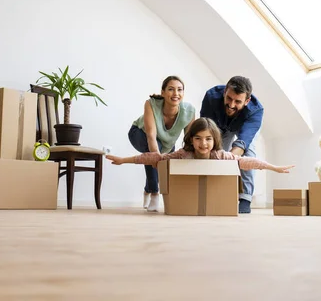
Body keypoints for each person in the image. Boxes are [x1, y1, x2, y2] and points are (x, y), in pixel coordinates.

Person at [108, 117, 292, 173]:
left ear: (215, 140)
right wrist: (123, 160)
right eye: (198, 138)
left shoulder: (219, 155)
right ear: (191, 140)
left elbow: (246, 162)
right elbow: (155, 158)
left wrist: (273, 167)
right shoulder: (183, 154)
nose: (203, 144)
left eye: (208, 139)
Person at [128, 76, 195, 212]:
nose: (176, 93)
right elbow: (151, 135)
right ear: (163, 92)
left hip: (167, 144)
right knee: (154, 152)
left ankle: (147, 190)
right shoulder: (151, 104)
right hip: (139, 134)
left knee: (163, 164)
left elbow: (189, 140)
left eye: (179, 90)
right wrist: (156, 158)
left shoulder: (189, 111)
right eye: (171, 89)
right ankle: (154, 194)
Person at [200, 76, 263, 214]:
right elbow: (206, 132)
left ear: (247, 101)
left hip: (243, 129)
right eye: (229, 98)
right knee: (214, 152)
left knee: (248, 154)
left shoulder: (256, 111)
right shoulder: (211, 97)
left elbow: (242, 145)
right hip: (219, 126)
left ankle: (245, 198)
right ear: (224, 93)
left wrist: (229, 159)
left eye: (238, 101)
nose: (231, 104)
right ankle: (215, 194)